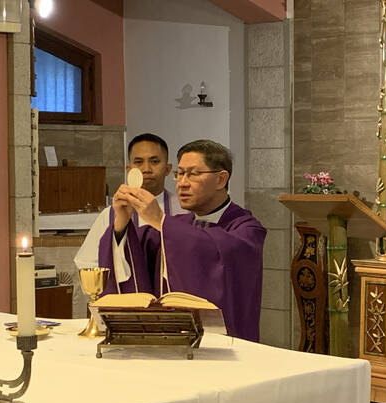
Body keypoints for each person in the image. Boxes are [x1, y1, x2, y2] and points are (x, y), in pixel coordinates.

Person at [99, 139, 266, 342]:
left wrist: (161, 221)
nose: (182, 183)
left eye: (193, 174)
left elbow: (217, 249)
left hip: (223, 350)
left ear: (221, 180)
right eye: (179, 174)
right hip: (167, 345)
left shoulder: (246, 229)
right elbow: (133, 257)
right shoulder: (178, 224)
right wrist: (122, 222)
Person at [74, 133, 185, 269]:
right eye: (138, 162)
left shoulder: (184, 209)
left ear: (168, 169)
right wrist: (119, 231)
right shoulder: (111, 214)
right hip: (129, 290)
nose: (146, 169)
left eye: (154, 162)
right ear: (128, 170)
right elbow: (87, 263)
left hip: (171, 290)